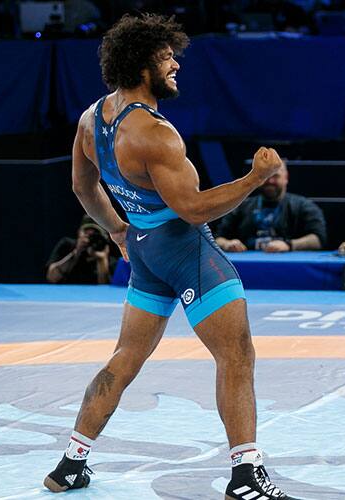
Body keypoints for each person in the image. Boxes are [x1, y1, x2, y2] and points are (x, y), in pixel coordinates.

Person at [43, 14, 297, 500]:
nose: (177, 65)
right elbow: (194, 207)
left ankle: (71, 463)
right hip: (183, 250)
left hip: (142, 250)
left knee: (125, 358)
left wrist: (117, 228)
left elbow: (82, 186)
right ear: (143, 66)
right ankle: (246, 475)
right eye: (167, 59)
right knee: (236, 355)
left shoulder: (91, 118)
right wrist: (254, 178)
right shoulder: (155, 135)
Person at [214, 160, 326, 252]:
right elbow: (217, 238)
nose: (270, 181)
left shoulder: (304, 205)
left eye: (275, 176)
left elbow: (318, 239)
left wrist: (289, 245)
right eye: (265, 176)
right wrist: (227, 244)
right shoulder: (241, 206)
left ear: (286, 177)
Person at [45, 215, 116, 284]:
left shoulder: (106, 252)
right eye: (86, 233)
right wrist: (76, 252)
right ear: (79, 232)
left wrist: (102, 260)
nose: (90, 238)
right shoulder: (67, 245)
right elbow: (52, 278)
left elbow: (105, 291)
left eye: (95, 234)